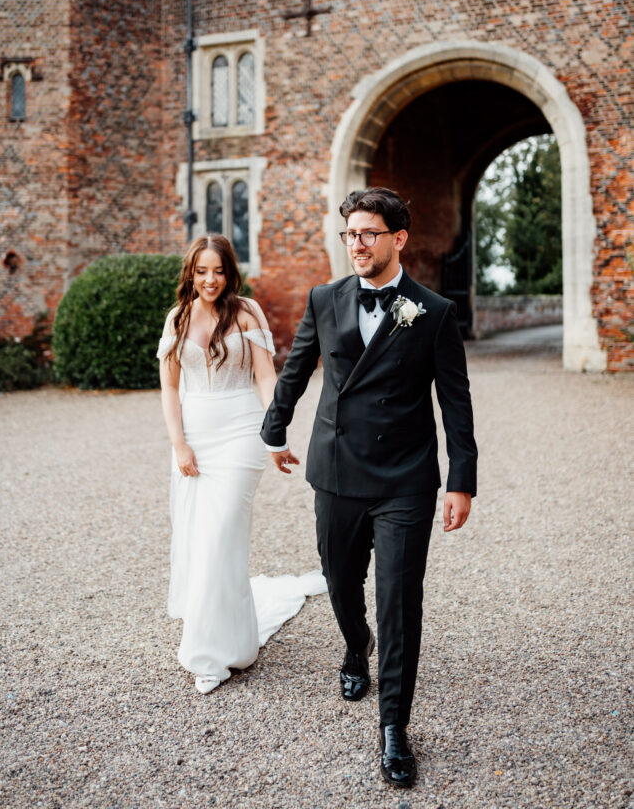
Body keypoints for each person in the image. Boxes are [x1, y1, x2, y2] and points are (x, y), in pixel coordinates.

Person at [261, 187, 477, 788]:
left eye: (368, 234)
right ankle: (356, 648)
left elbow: (455, 403)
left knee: (401, 599)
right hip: (336, 470)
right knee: (339, 581)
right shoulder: (324, 299)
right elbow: (299, 367)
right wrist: (273, 429)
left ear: (397, 239)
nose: (356, 244)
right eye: (349, 234)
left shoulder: (432, 311)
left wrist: (462, 479)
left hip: (406, 477)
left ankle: (394, 728)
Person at [157, 234, 325, 695]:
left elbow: (265, 376)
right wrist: (180, 445)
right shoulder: (177, 318)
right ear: (191, 273)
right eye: (201, 271)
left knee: (220, 529)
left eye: (219, 271)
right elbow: (170, 389)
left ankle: (205, 656)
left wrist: (276, 435)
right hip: (195, 438)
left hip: (240, 434)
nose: (210, 280)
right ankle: (231, 639)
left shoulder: (247, 312)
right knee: (205, 539)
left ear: (230, 273)